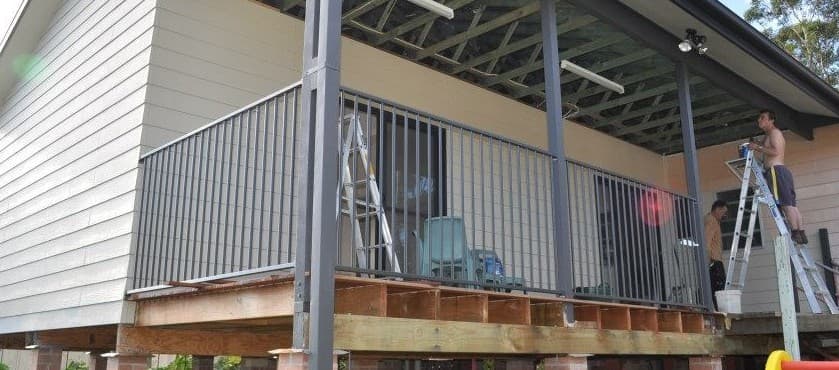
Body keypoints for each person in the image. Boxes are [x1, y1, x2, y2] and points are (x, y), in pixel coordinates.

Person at [748, 109, 808, 245]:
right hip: (780, 171)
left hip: (776, 171)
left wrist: (757, 147)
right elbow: (766, 149)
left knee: (786, 204)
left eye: (763, 118)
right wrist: (759, 144)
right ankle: (800, 233)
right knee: (791, 204)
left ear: (771, 120)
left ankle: (795, 232)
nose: (759, 120)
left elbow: (776, 151)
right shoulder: (768, 135)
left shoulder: (775, 133)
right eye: (759, 118)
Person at [705, 200, 727, 309]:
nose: (724, 215)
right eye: (723, 212)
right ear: (717, 209)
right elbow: (706, 242)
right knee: (719, 293)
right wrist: (709, 261)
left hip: (714, 261)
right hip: (714, 262)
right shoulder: (711, 221)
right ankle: (721, 316)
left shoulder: (712, 221)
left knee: (717, 292)